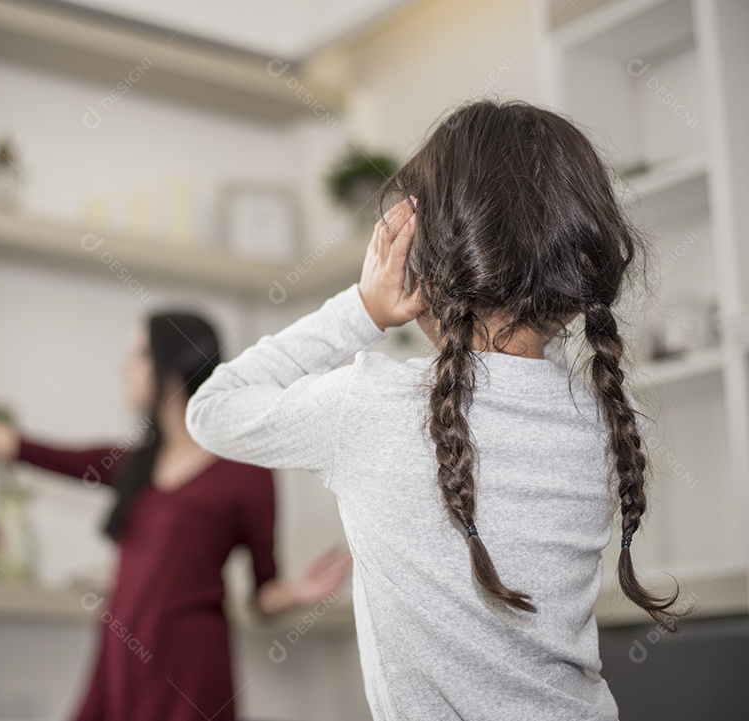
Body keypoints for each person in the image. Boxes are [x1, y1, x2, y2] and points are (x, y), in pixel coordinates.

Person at [185, 99, 691, 720]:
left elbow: (211, 408)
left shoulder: (369, 407)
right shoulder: (608, 417)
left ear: (424, 263)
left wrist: (363, 311)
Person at [0, 310, 350, 721]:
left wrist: (299, 594)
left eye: (136, 355)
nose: (125, 366)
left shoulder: (245, 474)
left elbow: (263, 594)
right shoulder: (132, 466)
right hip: (119, 659)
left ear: (170, 371)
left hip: (190, 670)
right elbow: (14, 445)